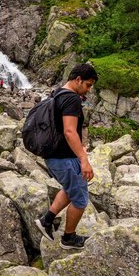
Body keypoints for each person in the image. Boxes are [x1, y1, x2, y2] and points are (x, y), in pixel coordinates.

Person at [35, 63, 98, 250]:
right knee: (79, 199)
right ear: (78, 80)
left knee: (72, 189)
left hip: (55, 156)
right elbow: (70, 132)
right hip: (64, 158)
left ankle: (46, 221)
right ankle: (68, 239)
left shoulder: (57, 93)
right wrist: (84, 159)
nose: (89, 89)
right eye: (88, 84)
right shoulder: (71, 99)